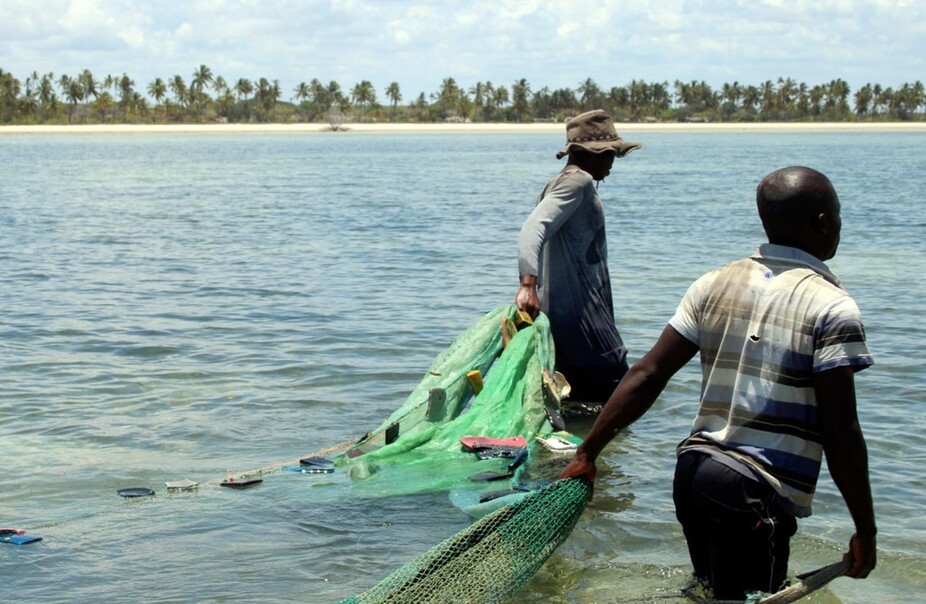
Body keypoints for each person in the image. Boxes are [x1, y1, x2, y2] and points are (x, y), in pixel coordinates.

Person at [561, 166, 877, 599]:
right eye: (838, 215)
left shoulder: (713, 283)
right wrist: (866, 529)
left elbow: (648, 373)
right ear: (823, 222)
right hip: (751, 489)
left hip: (693, 474)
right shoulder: (832, 307)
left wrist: (587, 451)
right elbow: (841, 432)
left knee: (714, 595)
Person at [516, 109, 641, 406]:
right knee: (615, 417)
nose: (612, 163)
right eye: (610, 154)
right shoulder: (578, 183)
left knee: (572, 417)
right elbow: (533, 228)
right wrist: (528, 285)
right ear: (595, 153)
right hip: (589, 335)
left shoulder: (557, 181)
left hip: (565, 335)